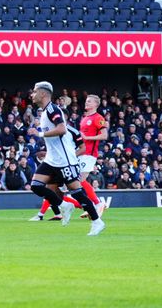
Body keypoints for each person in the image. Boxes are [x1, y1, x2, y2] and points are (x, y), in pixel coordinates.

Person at [28, 81, 105, 236]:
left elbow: (62, 129)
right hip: (52, 159)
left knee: (77, 192)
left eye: (35, 91)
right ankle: (64, 205)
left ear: (43, 93)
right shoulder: (44, 112)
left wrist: (40, 134)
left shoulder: (52, 109)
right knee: (36, 186)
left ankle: (97, 222)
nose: (32, 94)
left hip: (64, 160)